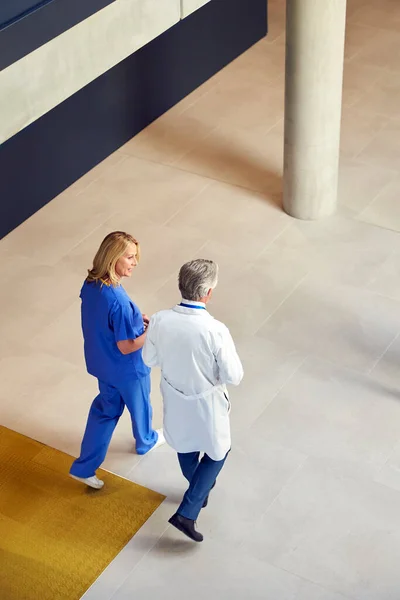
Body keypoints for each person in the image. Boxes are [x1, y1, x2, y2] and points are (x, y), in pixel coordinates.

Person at [142, 259, 243, 542]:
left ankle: (199, 489)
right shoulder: (215, 330)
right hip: (206, 402)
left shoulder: (160, 319)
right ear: (208, 293)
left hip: (174, 396)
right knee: (218, 451)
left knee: (185, 445)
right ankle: (188, 511)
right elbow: (234, 375)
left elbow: (149, 359)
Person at [70, 231, 165, 489]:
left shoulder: (91, 285)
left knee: (105, 411)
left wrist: (135, 320)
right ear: (113, 258)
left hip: (103, 364)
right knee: (141, 405)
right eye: (130, 257)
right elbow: (127, 345)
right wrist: (151, 330)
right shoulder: (119, 301)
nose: (135, 262)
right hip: (128, 369)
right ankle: (146, 440)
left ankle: (84, 467)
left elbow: (102, 321)